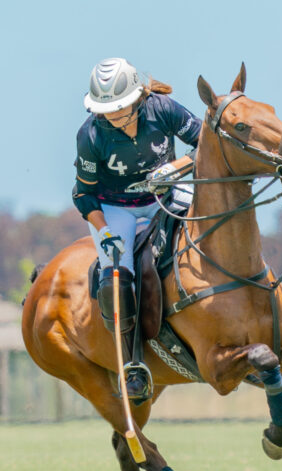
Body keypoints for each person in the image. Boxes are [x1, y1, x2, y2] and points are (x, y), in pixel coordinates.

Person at [73, 57, 201, 404]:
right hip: (118, 209)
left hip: (169, 194)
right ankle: (132, 364)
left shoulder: (164, 109)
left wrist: (175, 168)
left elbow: (206, 143)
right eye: (105, 110)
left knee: (213, 225)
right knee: (117, 274)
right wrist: (104, 233)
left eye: (119, 109)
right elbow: (83, 193)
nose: (112, 116)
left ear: (137, 98)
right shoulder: (91, 135)